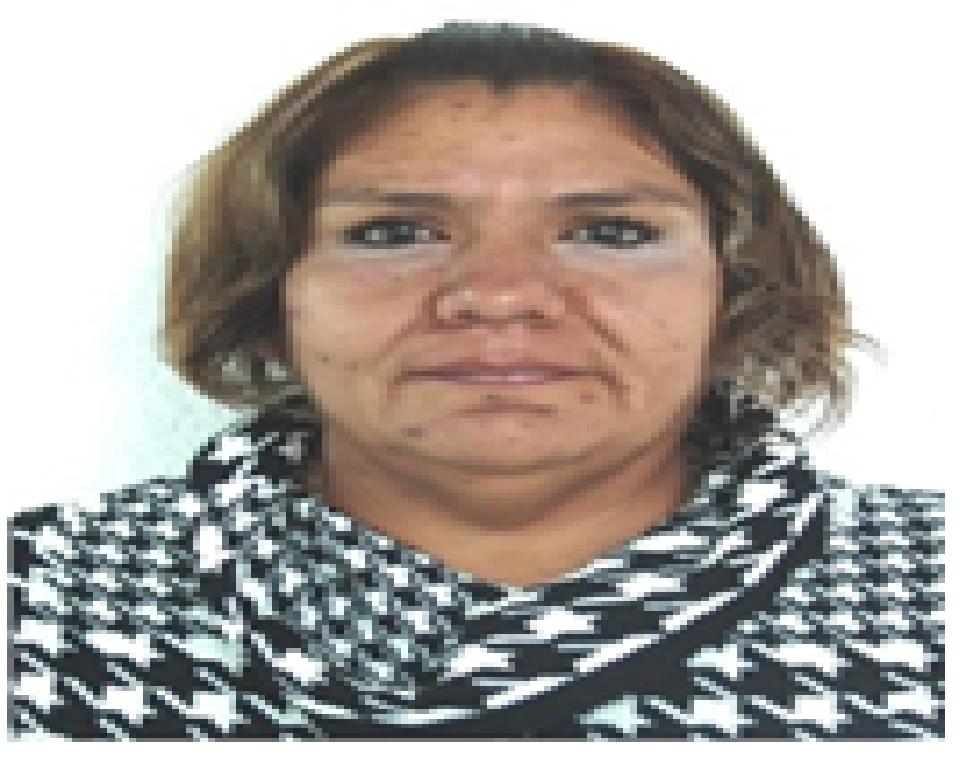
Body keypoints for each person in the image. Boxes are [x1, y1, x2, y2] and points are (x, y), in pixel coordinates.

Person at [8, 21, 944, 740]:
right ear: (267, 297)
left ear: (737, 291)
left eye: (609, 232)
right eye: (394, 233)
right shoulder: (40, 601)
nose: (500, 296)